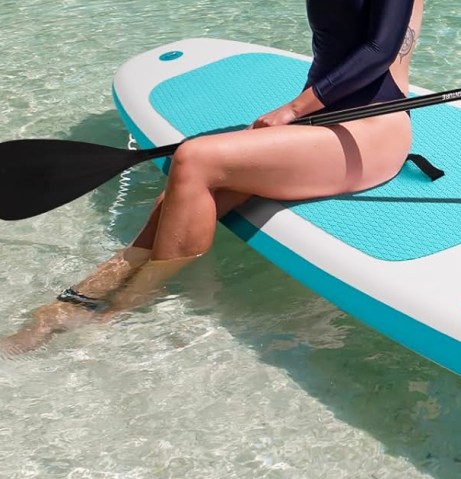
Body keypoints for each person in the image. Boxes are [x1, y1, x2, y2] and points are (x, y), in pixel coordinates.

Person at [1, 0, 424, 356]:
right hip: (320, 124)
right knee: (178, 194)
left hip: (370, 132)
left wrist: (293, 110)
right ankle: (76, 301)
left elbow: (378, 50)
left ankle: (119, 313)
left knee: (195, 159)